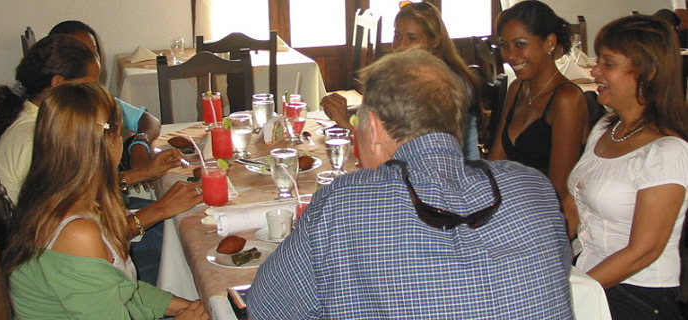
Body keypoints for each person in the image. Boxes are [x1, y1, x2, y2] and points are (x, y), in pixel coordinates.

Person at [248, 49, 573, 319]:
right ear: (456, 127)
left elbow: (265, 310)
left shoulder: (344, 203)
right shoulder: (534, 188)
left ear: (373, 129)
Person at [0, 35, 200, 285]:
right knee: (184, 253)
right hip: (31, 275)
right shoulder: (36, 141)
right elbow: (80, 238)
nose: (99, 92)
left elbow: (74, 192)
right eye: (90, 86)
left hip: (39, 257)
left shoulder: (46, 123)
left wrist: (141, 175)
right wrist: (161, 209)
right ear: (59, 85)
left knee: (175, 234)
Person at [2, 82, 207, 319]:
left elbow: (125, 289)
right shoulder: (76, 233)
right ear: (110, 142)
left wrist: (191, 306)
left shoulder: (60, 197)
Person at [566, 15, 688, 319]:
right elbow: (572, 206)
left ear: (648, 73)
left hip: (638, 294)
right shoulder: (606, 129)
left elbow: (643, 251)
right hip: (588, 272)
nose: (594, 71)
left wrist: (575, 291)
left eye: (608, 64)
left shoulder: (667, 151)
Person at [320, 1, 482, 160]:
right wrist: (353, 111)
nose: (401, 45)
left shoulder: (445, 85)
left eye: (412, 38)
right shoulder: (410, 75)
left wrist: (346, 125)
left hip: (457, 171)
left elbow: (403, 152)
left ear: (434, 41)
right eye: (397, 36)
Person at [488, 0, 590, 228]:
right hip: (515, 207)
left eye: (520, 44)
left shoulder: (566, 99)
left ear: (550, 43)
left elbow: (558, 190)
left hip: (547, 219)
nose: (511, 56)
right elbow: (495, 162)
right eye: (505, 45)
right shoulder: (517, 90)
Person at [49, 20, 161, 173]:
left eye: (93, 50)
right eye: (79, 52)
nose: (90, 58)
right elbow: (80, 191)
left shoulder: (96, 97)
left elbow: (148, 120)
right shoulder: (54, 122)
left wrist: (140, 144)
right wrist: (137, 177)